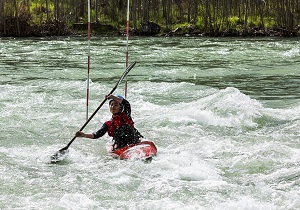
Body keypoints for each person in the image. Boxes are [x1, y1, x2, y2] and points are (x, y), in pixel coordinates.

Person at [75, 94, 143, 150]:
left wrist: (112, 97)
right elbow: (97, 134)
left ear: (120, 107)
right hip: (121, 144)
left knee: (124, 127)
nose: (113, 107)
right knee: (119, 131)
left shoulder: (126, 115)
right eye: (111, 105)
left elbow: (126, 104)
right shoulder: (108, 124)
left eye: (116, 105)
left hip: (134, 139)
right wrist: (84, 135)